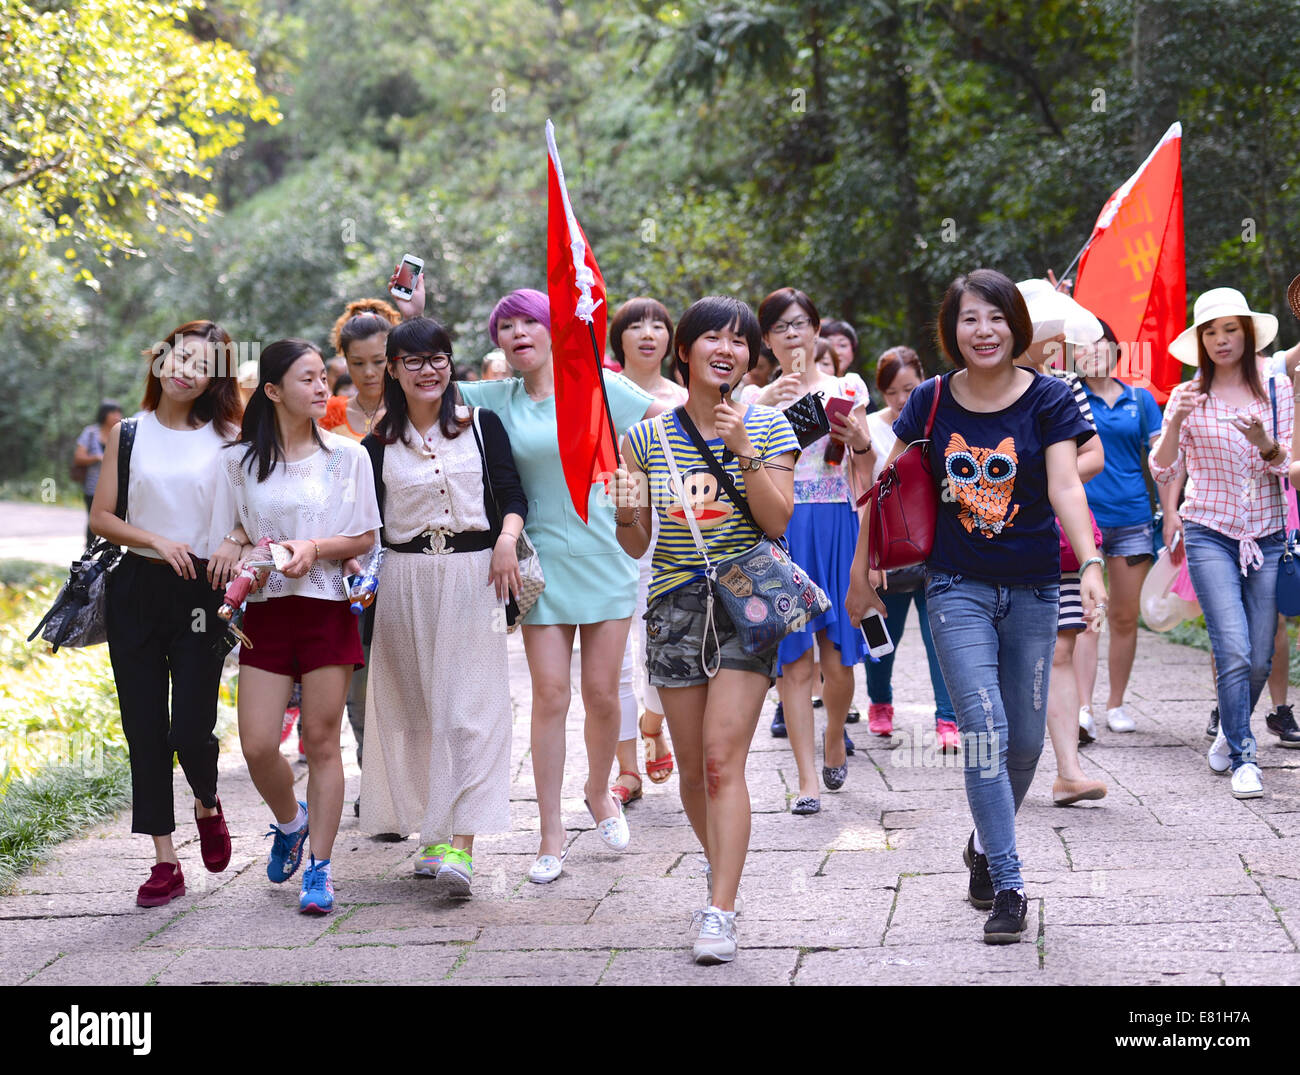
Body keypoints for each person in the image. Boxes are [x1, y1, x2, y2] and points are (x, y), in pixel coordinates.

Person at [847, 269, 1104, 944]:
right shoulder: (930, 399)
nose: (983, 330)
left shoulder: (1048, 397)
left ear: (1015, 324)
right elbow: (885, 482)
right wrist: (860, 572)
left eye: (995, 317)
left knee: (1024, 741)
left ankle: (984, 846)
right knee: (985, 730)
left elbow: (1065, 487)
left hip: (1036, 587)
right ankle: (1011, 884)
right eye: (969, 319)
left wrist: (1094, 561)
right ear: (951, 330)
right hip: (955, 585)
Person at [394, 273, 661, 881]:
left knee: (600, 694)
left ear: (554, 330)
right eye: (505, 327)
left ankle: (599, 791)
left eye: (529, 322)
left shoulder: (598, 387)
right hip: (537, 566)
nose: (517, 333)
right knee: (549, 695)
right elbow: (424, 380)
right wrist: (412, 312)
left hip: (606, 557)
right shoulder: (497, 400)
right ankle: (550, 832)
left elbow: (672, 415)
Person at [615, 295, 799, 963]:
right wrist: (623, 498)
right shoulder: (644, 438)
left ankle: (719, 907)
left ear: (750, 356)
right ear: (683, 349)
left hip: (746, 601)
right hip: (673, 605)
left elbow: (776, 522)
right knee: (692, 771)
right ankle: (722, 867)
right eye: (712, 337)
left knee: (723, 763)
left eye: (740, 339)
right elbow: (633, 543)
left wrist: (743, 448)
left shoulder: (771, 426)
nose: (728, 348)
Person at [358, 317, 526, 897]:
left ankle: (464, 845)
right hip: (403, 581)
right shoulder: (375, 444)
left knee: (467, 712)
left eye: (438, 358)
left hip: (474, 576)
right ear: (394, 371)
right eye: (413, 361)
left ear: (450, 365)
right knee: (417, 711)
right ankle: (433, 835)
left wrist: (506, 540)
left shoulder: (481, 425)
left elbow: (512, 493)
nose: (427, 370)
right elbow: (364, 523)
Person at [212, 338, 381, 914]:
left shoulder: (347, 456)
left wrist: (313, 545)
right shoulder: (236, 463)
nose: (320, 387)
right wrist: (239, 553)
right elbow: (232, 532)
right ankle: (291, 821)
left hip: (326, 606)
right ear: (273, 391)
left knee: (322, 743)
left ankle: (322, 871)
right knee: (259, 745)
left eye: (320, 377)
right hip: (266, 613)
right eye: (306, 379)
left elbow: (363, 538)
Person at [90, 322, 242, 908]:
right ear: (161, 360)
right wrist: (156, 540)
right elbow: (104, 516)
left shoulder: (232, 438)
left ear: (214, 379)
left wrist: (231, 538)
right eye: (179, 356)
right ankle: (164, 859)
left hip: (204, 594)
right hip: (136, 589)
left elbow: (252, 512)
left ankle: (207, 800)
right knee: (145, 729)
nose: (185, 369)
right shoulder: (126, 433)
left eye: (201, 364)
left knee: (190, 730)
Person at [1154, 288, 1291, 799]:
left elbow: (1288, 466)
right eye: (1210, 332)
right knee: (1231, 648)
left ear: (1247, 333)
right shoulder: (1189, 396)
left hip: (1269, 535)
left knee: (1258, 656)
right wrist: (1173, 422)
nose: (1220, 340)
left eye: (1229, 329)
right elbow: (1165, 469)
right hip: (1208, 531)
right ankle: (1244, 753)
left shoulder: (1277, 392)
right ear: (1200, 341)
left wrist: (1264, 442)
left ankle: (1230, 733)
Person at [742, 287, 873, 813]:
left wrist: (859, 438)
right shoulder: (752, 398)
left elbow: (865, 467)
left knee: (838, 659)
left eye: (800, 323)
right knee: (793, 662)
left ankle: (834, 735)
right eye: (780, 327)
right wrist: (765, 408)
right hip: (782, 530)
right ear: (767, 341)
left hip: (837, 523)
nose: (792, 333)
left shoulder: (847, 387)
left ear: (818, 329)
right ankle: (805, 780)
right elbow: (739, 467)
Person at [1014, 279, 1108, 807]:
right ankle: (1011, 758)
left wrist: (1054, 480)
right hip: (998, 541)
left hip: (1057, 538)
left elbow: (1092, 456)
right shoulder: (981, 386)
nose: (1050, 338)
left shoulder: (1063, 386)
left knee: (1064, 647)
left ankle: (1068, 769)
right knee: (1014, 653)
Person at [319, 297, 401, 797]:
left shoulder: (415, 405)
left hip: (407, 554)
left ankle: (404, 779)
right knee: (358, 673)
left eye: (379, 361)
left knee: (405, 673)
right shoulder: (327, 415)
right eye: (358, 363)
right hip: (344, 561)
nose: (370, 373)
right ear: (342, 363)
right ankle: (377, 783)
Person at [609, 297, 687, 805]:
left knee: (661, 650)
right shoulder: (601, 394)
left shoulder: (686, 398)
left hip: (671, 543)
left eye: (657, 324)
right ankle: (625, 769)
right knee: (613, 660)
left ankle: (653, 719)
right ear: (620, 338)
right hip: (610, 533)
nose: (647, 333)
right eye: (635, 325)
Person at [862, 347, 959, 751]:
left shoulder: (940, 421)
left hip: (937, 544)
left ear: (923, 380)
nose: (903, 399)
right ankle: (879, 703)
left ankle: (947, 720)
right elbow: (866, 490)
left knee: (943, 638)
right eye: (892, 392)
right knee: (884, 634)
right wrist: (867, 558)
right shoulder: (869, 428)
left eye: (909, 388)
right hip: (891, 548)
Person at [1073, 319, 1163, 744]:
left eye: (1101, 344)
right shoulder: (1069, 397)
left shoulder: (1140, 400)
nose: (1092, 352)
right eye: (1083, 346)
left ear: (1115, 349)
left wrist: (1171, 509)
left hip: (1133, 517)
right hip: (1083, 519)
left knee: (1125, 617)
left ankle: (1116, 704)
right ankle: (1083, 709)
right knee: (1088, 617)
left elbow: (1160, 462)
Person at [75, 400, 123, 547]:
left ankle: (112, 557)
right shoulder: (90, 432)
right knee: (93, 522)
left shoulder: (123, 431)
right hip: (93, 486)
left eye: (118, 412)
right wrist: (96, 457)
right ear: (104, 414)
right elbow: (78, 457)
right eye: (113, 412)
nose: (117, 416)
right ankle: (89, 558)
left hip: (117, 487)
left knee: (116, 524)